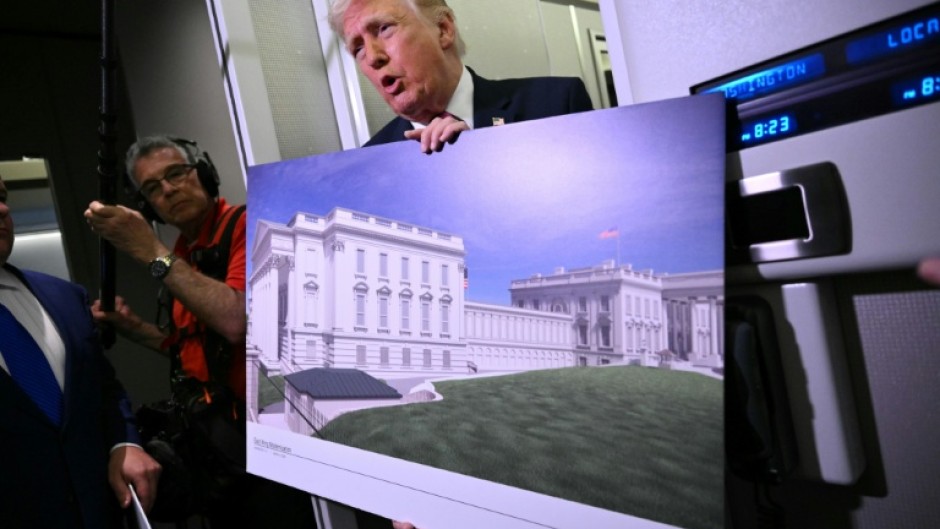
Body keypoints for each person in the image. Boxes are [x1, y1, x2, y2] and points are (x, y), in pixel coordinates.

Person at [84, 135, 315, 527]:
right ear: (147, 205)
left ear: (204, 174)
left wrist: (151, 251)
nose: (169, 190)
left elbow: (235, 321)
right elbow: (193, 349)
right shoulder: (183, 256)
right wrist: (133, 328)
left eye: (176, 173)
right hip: (222, 452)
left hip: (274, 449)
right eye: (153, 188)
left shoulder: (248, 225)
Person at [0, 173, 161, 528]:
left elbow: (103, 390)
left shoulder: (65, 297)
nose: (3, 208)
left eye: (2, 196)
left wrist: (125, 444)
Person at [328, 0, 594, 153]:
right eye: (358, 48)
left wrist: (476, 156)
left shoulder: (556, 104)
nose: (373, 57)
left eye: (384, 28)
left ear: (443, 30)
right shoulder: (372, 160)